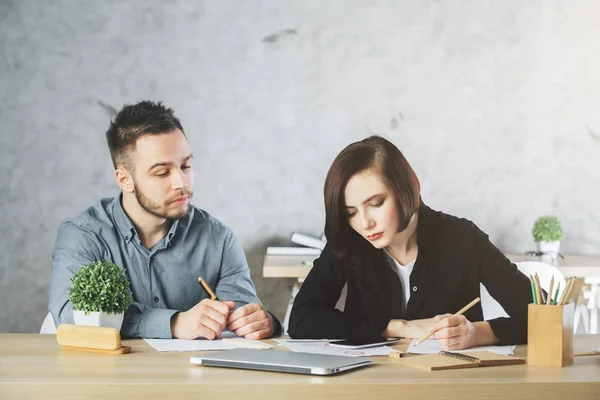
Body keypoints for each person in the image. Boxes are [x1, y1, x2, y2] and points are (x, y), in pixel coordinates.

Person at [49, 101, 280, 340]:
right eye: (162, 172)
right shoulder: (82, 235)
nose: (181, 182)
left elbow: (244, 315)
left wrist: (260, 322)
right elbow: (70, 316)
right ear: (125, 179)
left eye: (186, 165)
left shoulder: (218, 239)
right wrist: (173, 323)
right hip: (108, 376)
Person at [287, 136, 532, 350]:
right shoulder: (349, 242)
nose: (364, 223)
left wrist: (477, 333)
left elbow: (544, 314)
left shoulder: (461, 237)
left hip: (452, 384)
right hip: (371, 385)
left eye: (375, 204)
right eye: (350, 212)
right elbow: (301, 319)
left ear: (404, 188)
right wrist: (398, 327)